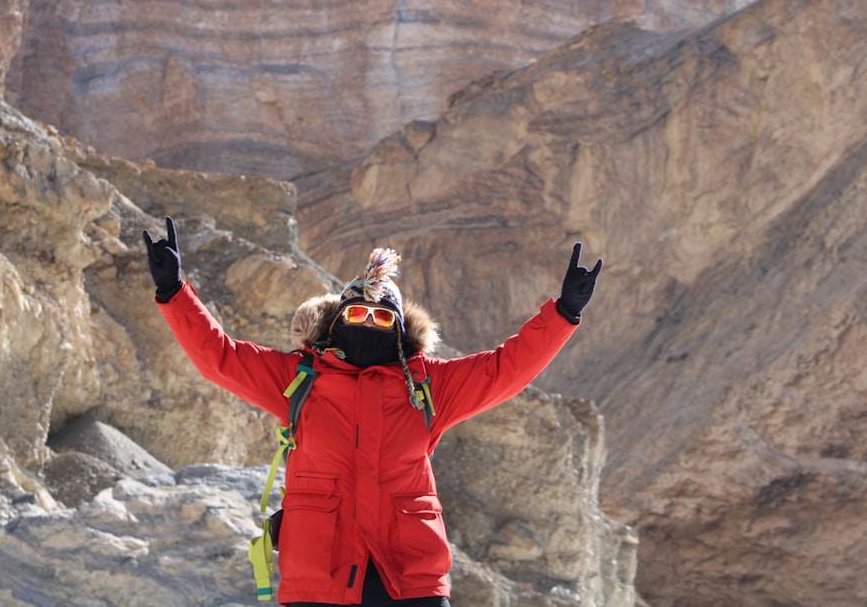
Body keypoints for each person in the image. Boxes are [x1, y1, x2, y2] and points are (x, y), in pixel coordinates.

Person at [143, 217, 602, 607]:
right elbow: (218, 357)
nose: (369, 323)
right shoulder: (299, 378)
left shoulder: (426, 385)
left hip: (409, 575)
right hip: (318, 578)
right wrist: (173, 290)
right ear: (336, 322)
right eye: (357, 315)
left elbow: (505, 369)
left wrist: (563, 312)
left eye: (383, 319)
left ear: (400, 332)